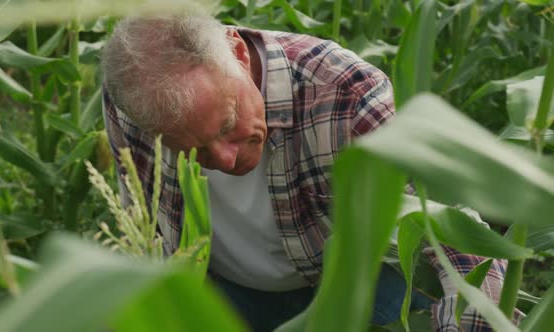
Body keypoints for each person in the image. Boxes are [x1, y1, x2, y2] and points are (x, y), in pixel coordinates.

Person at [101, 13, 521, 331]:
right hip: (228, 292)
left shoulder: (345, 92)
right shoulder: (135, 104)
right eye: (193, 150)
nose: (226, 161)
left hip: (347, 282)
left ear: (239, 54)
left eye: (228, 124)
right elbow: (144, 230)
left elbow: (456, 244)